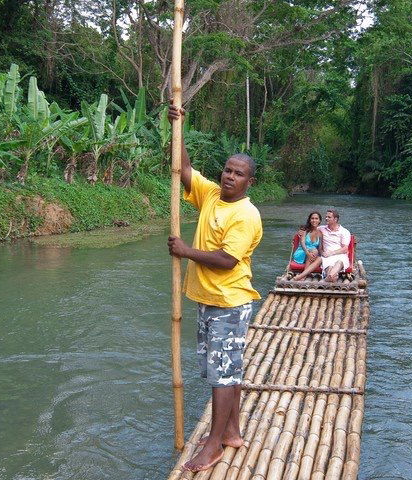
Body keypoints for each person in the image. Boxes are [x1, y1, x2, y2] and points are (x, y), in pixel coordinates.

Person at [166, 105, 263, 473]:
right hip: (207, 300)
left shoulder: (246, 215)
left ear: (248, 182)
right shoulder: (210, 196)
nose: (229, 177)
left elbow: (226, 260)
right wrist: (179, 127)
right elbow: (185, 170)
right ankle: (233, 431)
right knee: (226, 372)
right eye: (227, 170)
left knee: (221, 376)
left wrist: (185, 250)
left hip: (228, 303)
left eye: (238, 174)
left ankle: (215, 445)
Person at [293, 209, 350, 282]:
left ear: (335, 219)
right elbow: (311, 228)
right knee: (319, 257)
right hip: (325, 257)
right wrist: (300, 232)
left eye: (329, 217)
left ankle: (326, 279)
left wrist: (329, 253)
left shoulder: (344, 231)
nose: (326, 218)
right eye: (326, 217)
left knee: (336, 263)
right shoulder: (322, 229)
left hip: (339, 255)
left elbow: (345, 249)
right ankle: (305, 276)